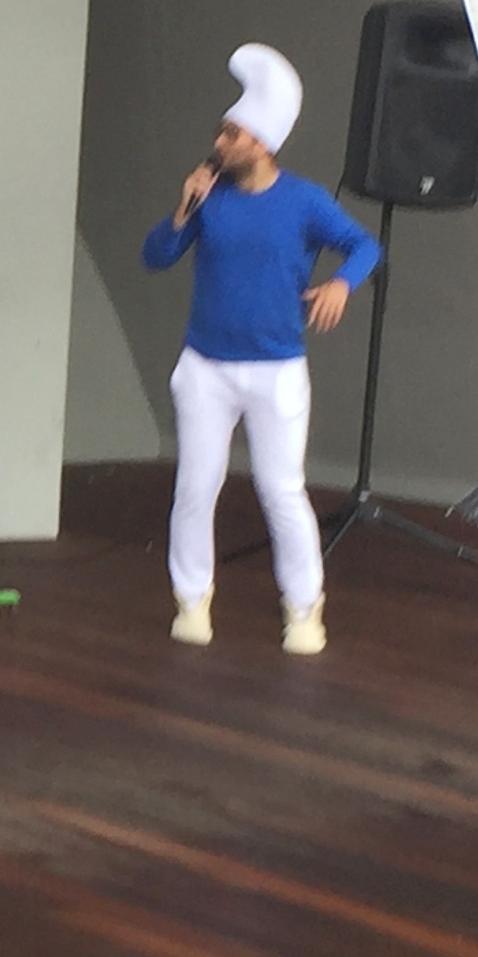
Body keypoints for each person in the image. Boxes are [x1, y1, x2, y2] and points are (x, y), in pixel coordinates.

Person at [139, 42, 380, 654]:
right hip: (205, 368)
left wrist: (341, 284)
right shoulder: (208, 198)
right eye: (222, 131)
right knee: (196, 486)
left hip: (276, 370)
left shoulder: (304, 201)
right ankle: (191, 600)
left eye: (233, 133)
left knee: (281, 490)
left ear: (263, 143)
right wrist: (182, 210)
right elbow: (156, 257)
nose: (220, 142)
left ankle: (304, 608)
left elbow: (364, 245)